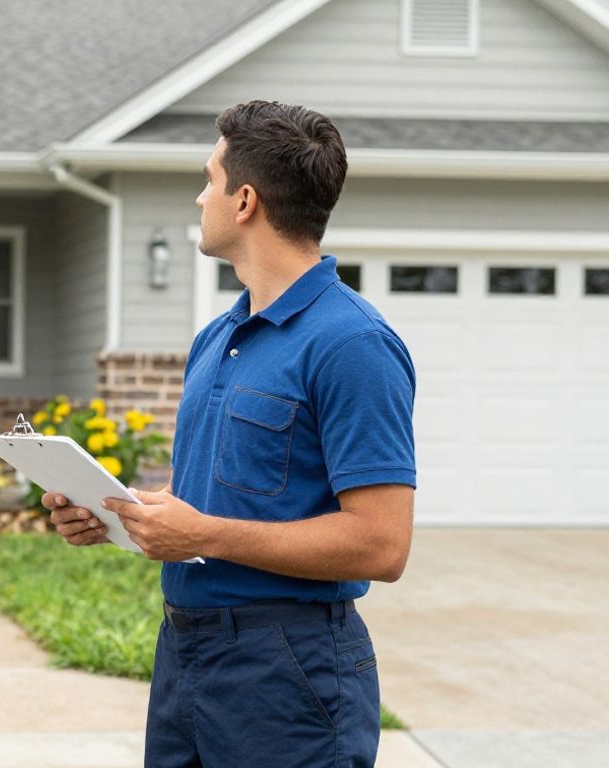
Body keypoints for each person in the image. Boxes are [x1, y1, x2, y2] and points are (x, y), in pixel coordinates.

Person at [46, 101, 416, 768]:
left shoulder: (352, 344)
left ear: (244, 201)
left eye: (209, 179)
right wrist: (118, 514)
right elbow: (221, 501)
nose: (199, 196)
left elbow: (382, 544)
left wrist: (205, 535)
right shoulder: (218, 337)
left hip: (290, 674)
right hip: (185, 654)